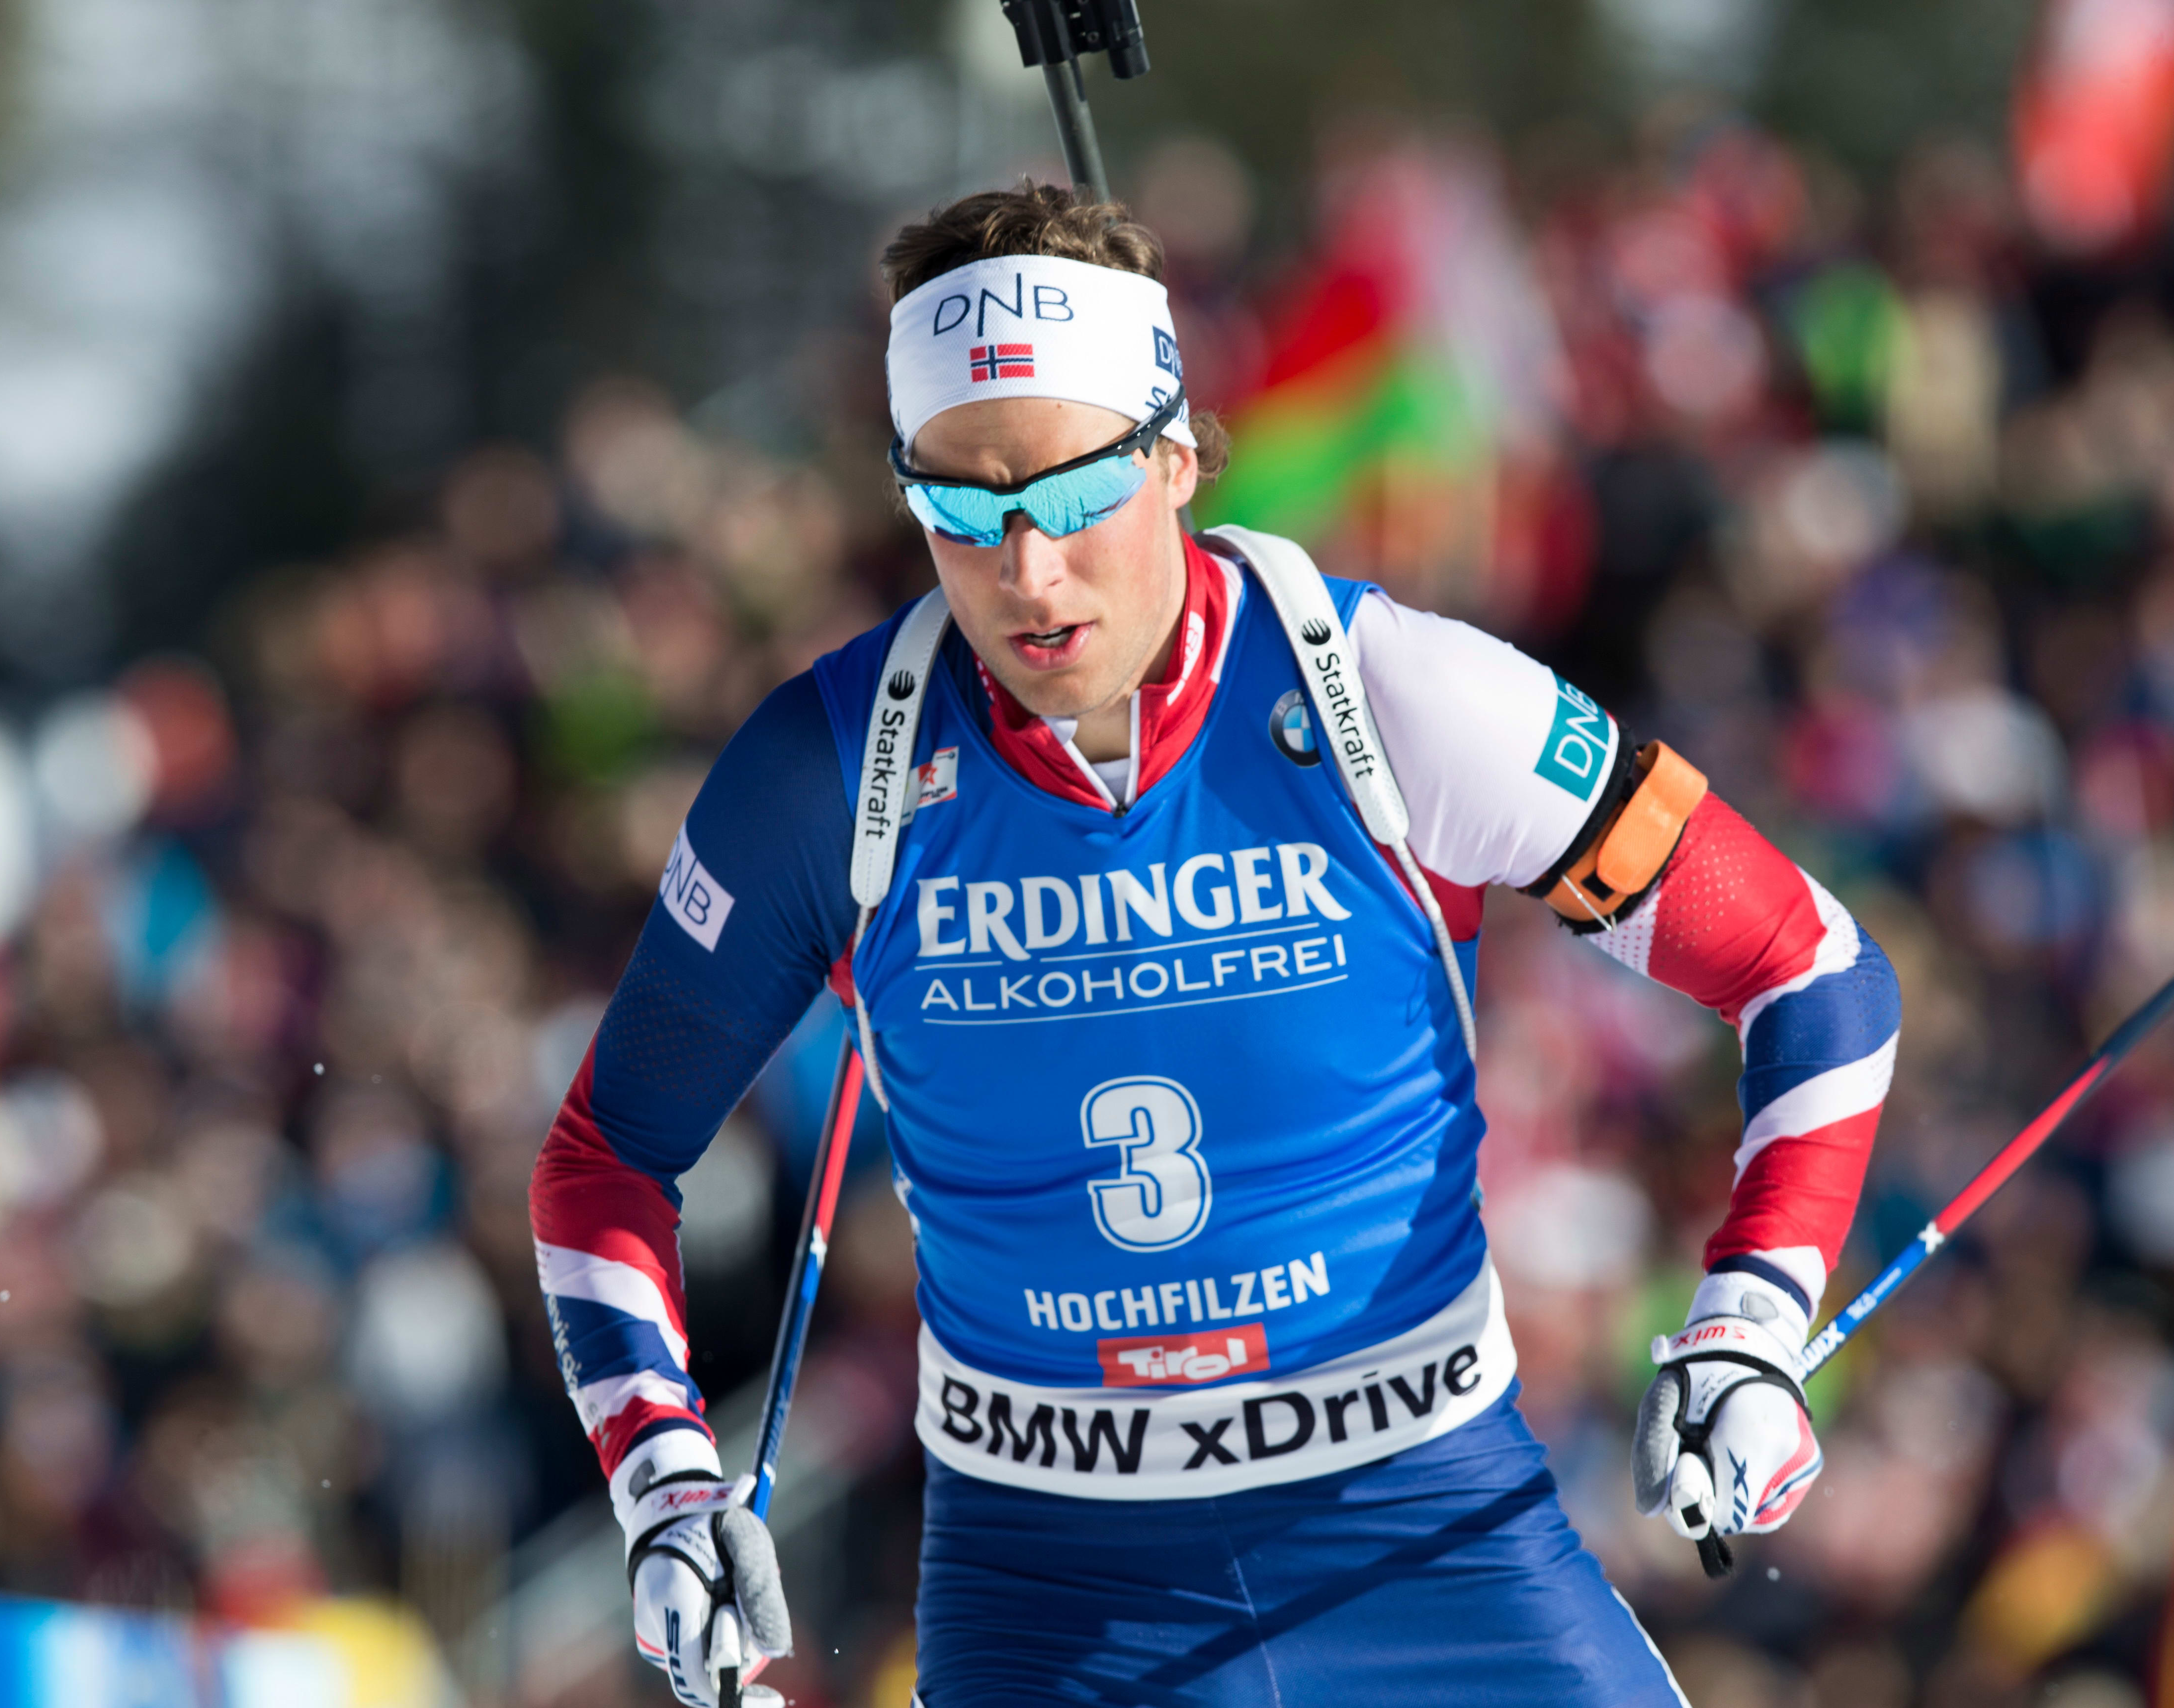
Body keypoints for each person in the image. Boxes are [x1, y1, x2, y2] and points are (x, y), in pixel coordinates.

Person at [530, 184, 1900, 1707]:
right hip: (1053, 1599)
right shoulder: (830, 771)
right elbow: (605, 1158)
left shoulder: (1387, 694)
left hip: (1427, 1545)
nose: (1026, 574)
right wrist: (664, 1486)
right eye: (963, 511)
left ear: (1176, 456)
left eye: (1070, 495)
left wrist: (1752, 1320)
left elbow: (1808, 965)